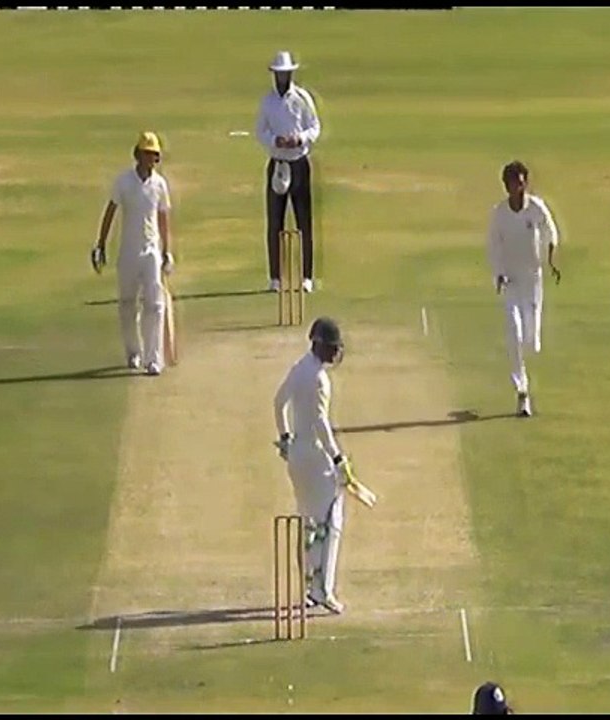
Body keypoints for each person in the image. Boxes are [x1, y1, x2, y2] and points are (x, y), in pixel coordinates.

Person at [273, 317, 351, 614]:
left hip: (297, 456)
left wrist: (285, 439)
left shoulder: (299, 368)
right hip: (317, 460)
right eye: (332, 347)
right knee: (330, 523)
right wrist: (338, 457)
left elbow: (278, 402)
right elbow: (320, 422)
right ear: (318, 344)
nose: (335, 353)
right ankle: (323, 591)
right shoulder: (319, 378)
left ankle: (309, 589)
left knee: (310, 524)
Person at [92, 131, 174, 376]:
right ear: (137, 155)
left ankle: (153, 358)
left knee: (155, 305)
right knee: (128, 305)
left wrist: (167, 251)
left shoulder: (160, 184)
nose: (151, 159)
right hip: (128, 252)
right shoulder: (124, 182)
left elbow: (163, 218)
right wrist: (101, 244)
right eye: (147, 154)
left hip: (151, 252)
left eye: (154, 155)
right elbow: (111, 211)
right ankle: (133, 352)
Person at [485, 160, 561, 417]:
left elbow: (551, 232)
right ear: (506, 186)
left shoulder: (536, 208)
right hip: (511, 281)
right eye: (512, 183)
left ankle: (524, 373)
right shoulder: (499, 213)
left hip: (532, 280)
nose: (517, 188)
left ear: (525, 183)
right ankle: (522, 391)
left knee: (531, 340)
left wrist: (551, 260)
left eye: (520, 183)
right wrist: (498, 273)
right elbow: (493, 244)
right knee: (514, 334)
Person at [256, 50, 322, 294]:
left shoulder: (302, 98)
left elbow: (314, 127)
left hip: (299, 163)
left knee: (304, 221)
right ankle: (275, 277)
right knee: (275, 221)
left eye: (286, 74)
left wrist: (300, 139)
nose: (282, 78)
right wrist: (276, 140)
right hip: (278, 163)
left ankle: (307, 276)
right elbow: (260, 131)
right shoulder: (268, 102)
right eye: (279, 74)